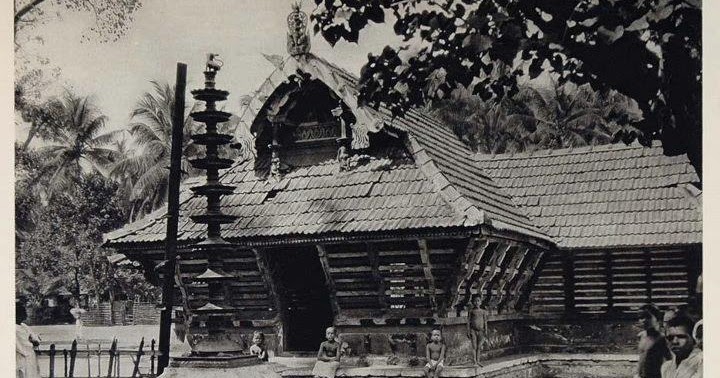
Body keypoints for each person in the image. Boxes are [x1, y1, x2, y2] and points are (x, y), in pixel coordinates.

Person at [635, 305, 671, 378]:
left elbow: (670, 360)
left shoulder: (661, 338)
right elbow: (641, 358)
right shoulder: (642, 336)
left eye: (648, 317)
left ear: (657, 318)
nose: (644, 320)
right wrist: (637, 373)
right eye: (641, 317)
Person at [661, 314, 702, 378]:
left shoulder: (702, 361)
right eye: (670, 338)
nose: (675, 342)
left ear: (693, 338)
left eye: (681, 337)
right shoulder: (666, 367)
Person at [16, 305, 42, 378]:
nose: (25, 315)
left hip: (30, 356)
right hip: (20, 356)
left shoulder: (24, 325)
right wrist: (31, 342)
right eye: (22, 313)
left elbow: (35, 338)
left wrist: (34, 340)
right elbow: (21, 345)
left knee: (32, 373)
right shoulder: (13, 328)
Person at [467, 295, 488, 365]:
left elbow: (485, 321)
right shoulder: (471, 311)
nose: (476, 302)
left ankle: (478, 361)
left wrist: (486, 330)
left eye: (478, 301)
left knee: (479, 346)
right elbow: (468, 321)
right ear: (472, 302)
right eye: (475, 301)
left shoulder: (483, 311)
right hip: (473, 330)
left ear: (481, 302)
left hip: (481, 331)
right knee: (474, 346)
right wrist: (468, 331)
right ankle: (474, 361)